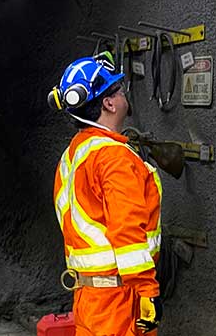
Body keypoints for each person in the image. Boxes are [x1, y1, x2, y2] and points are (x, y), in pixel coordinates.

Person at [50, 52, 163, 335]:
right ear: (109, 103)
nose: (124, 95)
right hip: (120, 300)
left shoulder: (73, 154)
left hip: (89, 298)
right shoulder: (114, 158)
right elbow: (127, 233)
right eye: (119, 89)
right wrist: (147, 290)